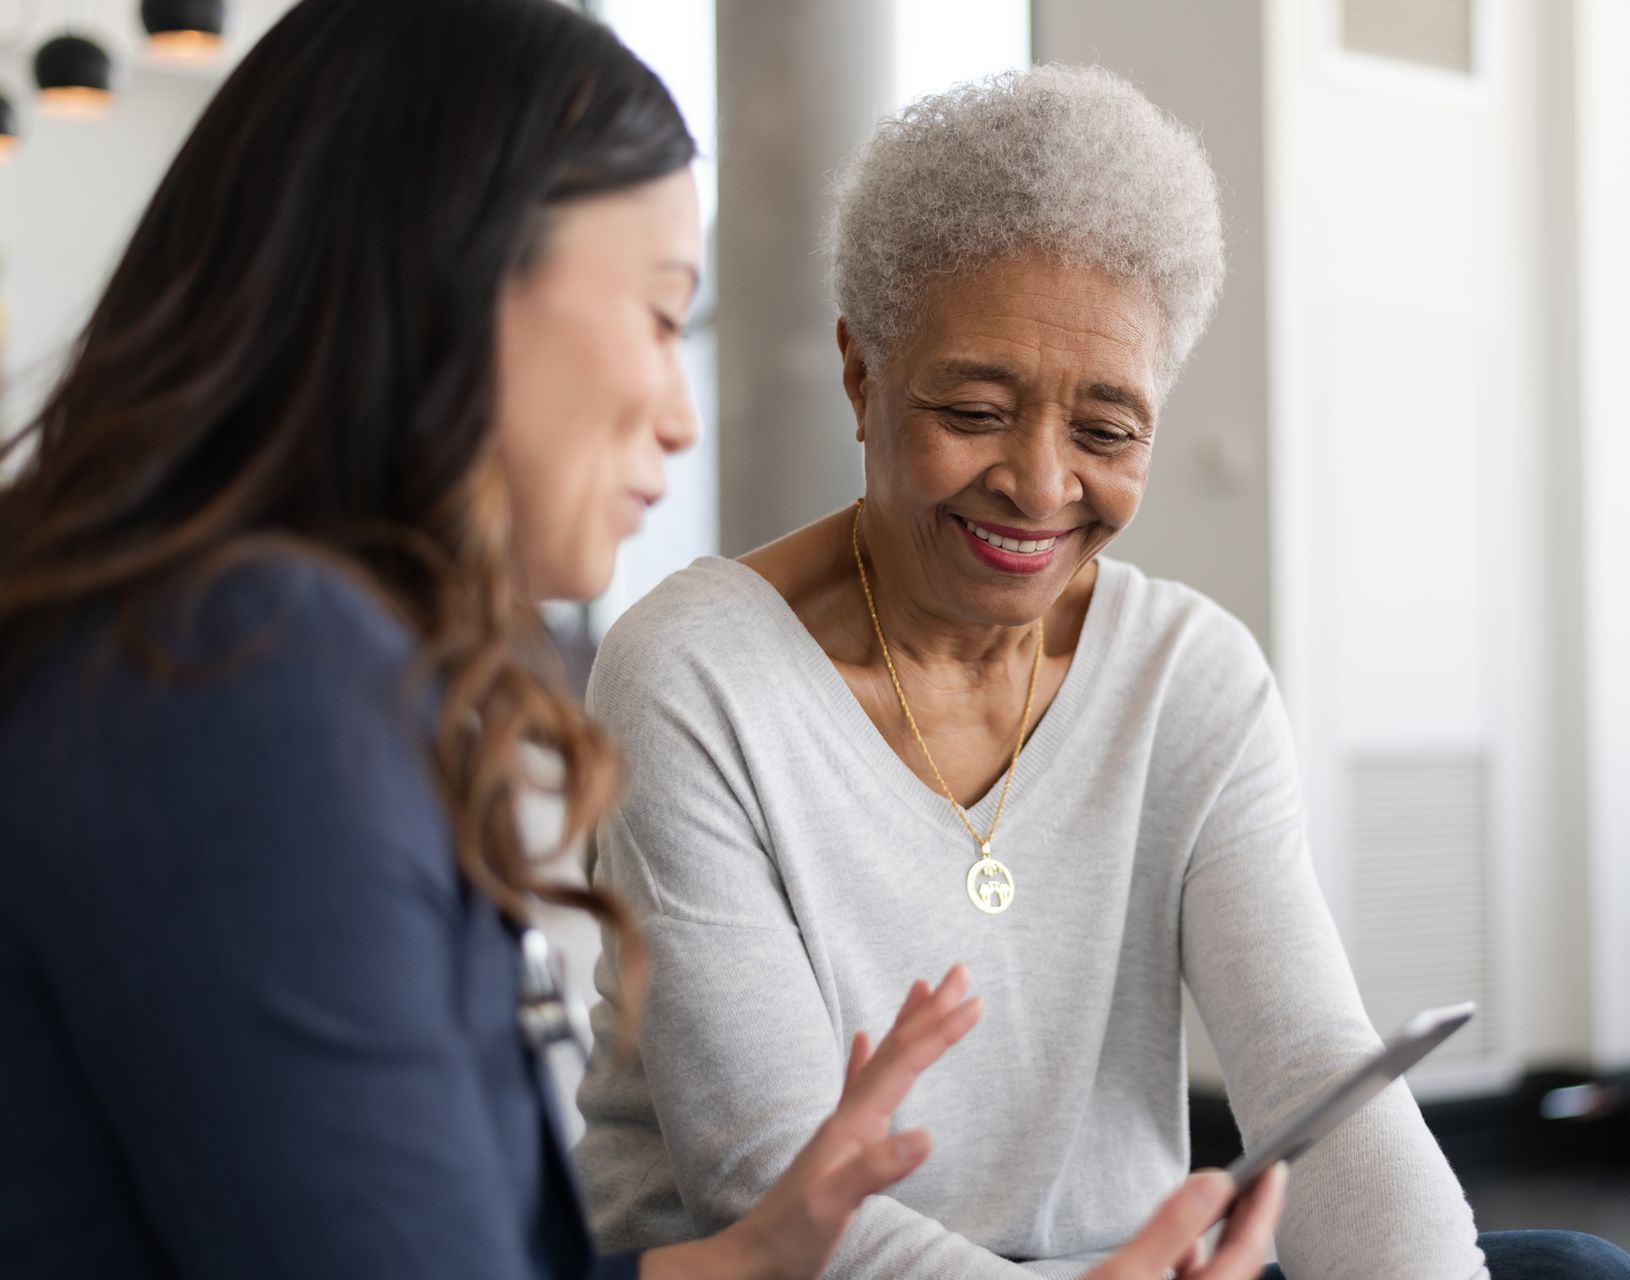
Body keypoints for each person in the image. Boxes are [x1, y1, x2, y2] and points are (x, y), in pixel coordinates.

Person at [0, 2, 1288, 1276]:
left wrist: (756, 1257)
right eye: (664, 317)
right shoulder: (247, 676)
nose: (681, 417)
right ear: (449, 285)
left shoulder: (239, 646)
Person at [574, 66, 1630, 1280]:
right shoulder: (695, 673)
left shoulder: (1190, 675)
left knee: (1574, 1272)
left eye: (1105, 431)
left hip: (1126, 1265)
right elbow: (773, 1188)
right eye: (975, 410)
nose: (1041, 487)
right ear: (861, 371)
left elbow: (1313, 1067)